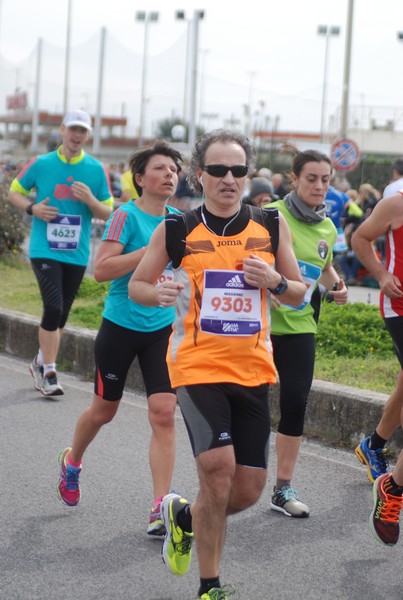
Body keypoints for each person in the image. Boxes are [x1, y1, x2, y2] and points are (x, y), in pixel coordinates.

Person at [129, 129, 306, 599]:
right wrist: (158, 291)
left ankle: (183, 517)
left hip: (252, 370)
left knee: (246, 489)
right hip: (195, 368)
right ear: (199, 174)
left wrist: (273, 280)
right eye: (219, 170)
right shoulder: (177, 229)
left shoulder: (270, 226)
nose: (230, 179)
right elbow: (138, 286)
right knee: (219, 470)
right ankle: (211, 586)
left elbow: (297, 293)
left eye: (239, 170)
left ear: (248, 175)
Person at [56, 140, 183, 538]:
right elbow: (102, 268)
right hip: (120, 328)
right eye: (160, 169)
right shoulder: (124, 216)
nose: (169, 175)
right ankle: (72, 462)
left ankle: (160, 507)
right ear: (140, 178)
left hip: (163, 329)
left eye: (174, 170)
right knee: (104, 411)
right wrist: (150, 251)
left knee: (163, 413)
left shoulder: (180, 220)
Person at [266, 145, 348, 518]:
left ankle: (282, 488)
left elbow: (324, 265)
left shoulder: (328, 226)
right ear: (294, 178)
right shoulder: (270, 215)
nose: (319, 187)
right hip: (261, 326)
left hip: (300, 325)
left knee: (296, 402)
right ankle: (233, 475)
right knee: (247, 404)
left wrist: (337, 286)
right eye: (311, 179)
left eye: (325, 180)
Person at [8, 109, 113, 396]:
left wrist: (90, 199)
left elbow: (108, 209)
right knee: (52, 307)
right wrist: (32, 208)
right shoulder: (41, 163)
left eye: (83, 131)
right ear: (63, 129)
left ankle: (40, 362)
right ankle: (50, 372)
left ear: (87, 135)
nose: (77, 135)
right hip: (44, 249)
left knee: (62, 315)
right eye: (73, 129)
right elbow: (14, 192)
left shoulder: (95, 169)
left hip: (76, 253)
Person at [351, 192, 403, 546]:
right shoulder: (396, 204)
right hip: (400, 305)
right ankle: (394, 487)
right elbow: (359, 237)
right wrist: (383, 275)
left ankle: (375, 445)